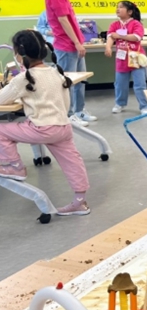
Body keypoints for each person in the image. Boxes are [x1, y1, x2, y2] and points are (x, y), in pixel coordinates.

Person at [0, 30, 90, 215]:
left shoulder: (23, 78)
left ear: (18, 53)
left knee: (1, 130)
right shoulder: (56, 72)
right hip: (63, 126)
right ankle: (80, 202)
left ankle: (15, 167)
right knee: (73, 162)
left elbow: (2, 99)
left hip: (42, 128)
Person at [44, 0, 94, 127]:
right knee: (68, 82)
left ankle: (79, 110)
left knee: (80, 79)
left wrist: (78, 42)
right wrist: (76, 42)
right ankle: (69, 115)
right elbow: (63, 20)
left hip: (74, 44)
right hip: (66, 45)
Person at [104, 1, 147, 115]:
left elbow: (136, 37)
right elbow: (110, 37)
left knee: (140, 85)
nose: (117, 9)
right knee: (120, 84)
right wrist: (108, 47)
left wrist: (119, 36)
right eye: (117, 7)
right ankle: (120, 103)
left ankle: (144, 106)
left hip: (136, 59)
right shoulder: (114, 24)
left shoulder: (136, 24)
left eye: (121, 7)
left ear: (129, 12)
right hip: (121, 59)